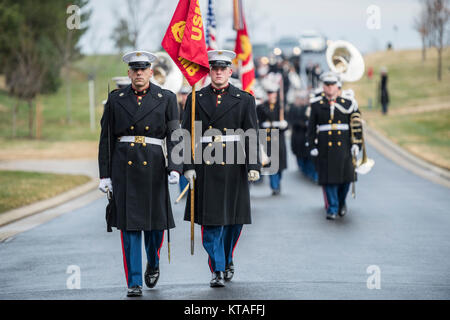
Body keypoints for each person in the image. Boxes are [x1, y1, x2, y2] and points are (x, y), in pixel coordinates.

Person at [98, 51, 182, 297]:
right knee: (130, 228)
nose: (138, 73)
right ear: (129, 73)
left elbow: (174, 135)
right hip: (124, 168)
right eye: (134, 70)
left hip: (154, 166)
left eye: (143, 69)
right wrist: (105, 175)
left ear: (150, 71)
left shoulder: (165, 98)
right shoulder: (115, 99)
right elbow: (106, 139)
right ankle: (134, 281)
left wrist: (175, 167)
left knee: (155, 226)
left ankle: (153, 262)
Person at [182, 49, 261, 288]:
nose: (218, 72)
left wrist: (253, 165)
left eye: (222, 69)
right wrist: (188, 165)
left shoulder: (244, 99)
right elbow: (186, 134)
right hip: (206, 167)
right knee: (211, 223)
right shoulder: (196, 98)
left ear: (230, 71)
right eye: (214, 68)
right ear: (209, 71)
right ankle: (216, 267)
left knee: (233, 223)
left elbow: (251, 134)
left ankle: (227, 258)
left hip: (234, 165)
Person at [307, 71, 362, 220]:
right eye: (327, 85)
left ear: (338, 86)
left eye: (332, 85)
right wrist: (312, 146)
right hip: (325, 148)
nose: (330, 88)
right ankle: (332, 207)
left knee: (346, 179)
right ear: (323, 87)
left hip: (344, 147)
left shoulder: (349, 104)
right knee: (328, 179)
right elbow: (311, 128)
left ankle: (341, 202)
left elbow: (356, 126)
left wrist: (357, 144)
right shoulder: (317, 105)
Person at [257, 80, 288, 195]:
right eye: (269, 93)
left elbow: (287, 122)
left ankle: (278, 182)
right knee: (270, 163)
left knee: (280, 163)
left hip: (278, 137)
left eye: (273, 93)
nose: (271, 95)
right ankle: (274, 186)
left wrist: (284, 125)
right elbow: (259, 122)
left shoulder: (281, 107)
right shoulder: (262, 107)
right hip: (267, 137)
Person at [287, 90, 318, 182]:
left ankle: (313, 174)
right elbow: (292, 121)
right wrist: (303, 123)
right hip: (299, 135)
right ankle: (306, 170)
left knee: (311, 157)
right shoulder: (294, 108)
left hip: (309, 135)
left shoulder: (311, 108)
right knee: (302, 155)